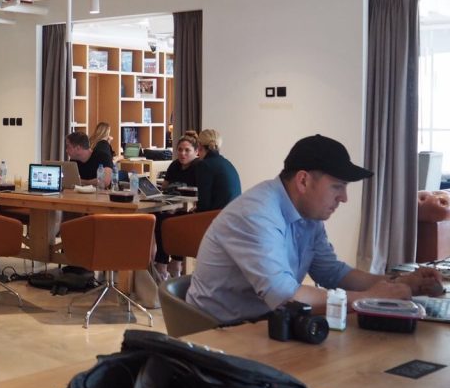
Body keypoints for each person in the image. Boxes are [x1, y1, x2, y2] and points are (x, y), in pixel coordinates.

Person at [187, 134, 444, 325]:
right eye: (337, 187)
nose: (344, 198)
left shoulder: (308, 214)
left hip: (265, 323)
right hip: (217, 334)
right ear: (303, 180)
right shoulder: (256, 214)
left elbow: (331, 272)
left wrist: (394, 283)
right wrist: (368, 298)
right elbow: (284, 295)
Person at [152, 130, 200, 281]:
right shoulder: (174, 165)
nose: (183, 154)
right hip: (171, 206)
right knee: (158, 217)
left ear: (196, 151)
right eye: (180, 150)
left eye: (187, 150)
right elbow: (165, 187)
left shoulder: (199, 167)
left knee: (173, 221)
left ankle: (173, 263)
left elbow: (201, 193)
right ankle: (163, 263)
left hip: (192, 211)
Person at [193, 129, 241, 212]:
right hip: (233, 215)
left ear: (199, 146)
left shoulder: (204, 165)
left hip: (216, 218)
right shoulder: (226, 163)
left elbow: (204, 204)